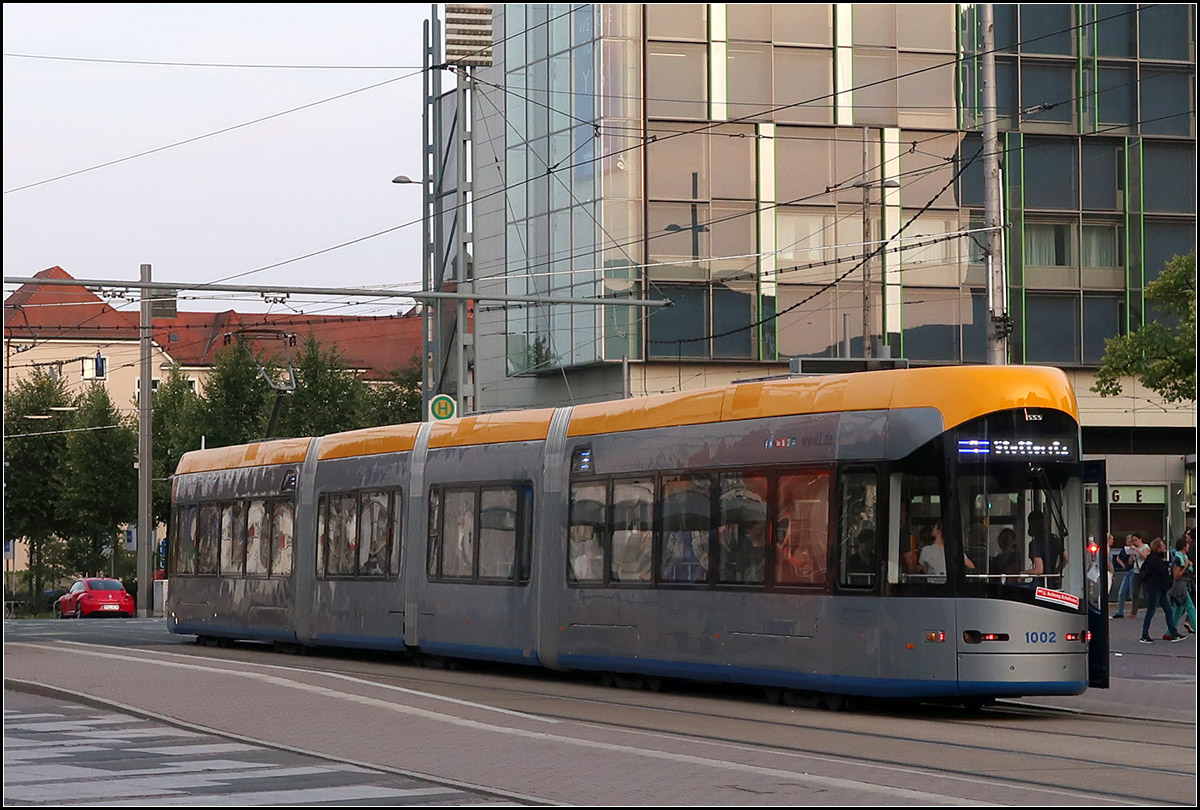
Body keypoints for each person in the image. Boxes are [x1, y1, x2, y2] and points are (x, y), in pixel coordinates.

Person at [1139, 538, 1185, 643]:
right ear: (1158, 547)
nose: (1164, 546)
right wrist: (1166, 565)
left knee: (1168, 610)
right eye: (1162, 545)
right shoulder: (1155, 559)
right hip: (1155, 588)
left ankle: (1173, 633)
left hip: (1160, 588)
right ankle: (1144, 635)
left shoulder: (1154, 558)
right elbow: (1162, 570)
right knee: (1151, 611)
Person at [1023, 510, 1064, 580]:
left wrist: (1023, 573)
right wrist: (1056, 571)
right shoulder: (1054, 539)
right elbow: (1065, 558)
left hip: (1040, 583)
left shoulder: (1035, 544)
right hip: (1052, 582)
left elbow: (1039, 570)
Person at [1171, 536, 1196, 635]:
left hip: (1186, 584)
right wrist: (1186, 566)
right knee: (1191, 608)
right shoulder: (1179, 559)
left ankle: (1169, 631)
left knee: (1179, 610)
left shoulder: (1184, 557)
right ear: (1183, 546)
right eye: (1187, 545)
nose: (1189, 546)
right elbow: (1176, 576)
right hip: (1181, 586)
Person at [1111, 534, 1136, 618]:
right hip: (1127, 571)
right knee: (1122, 593)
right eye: (1127, 541)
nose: (1128, 543)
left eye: (1130, 542)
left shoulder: (1134, 549)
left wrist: (1132, 553)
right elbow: (1118, 558)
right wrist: (1123, 565)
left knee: (1132, 591)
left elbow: (1131, 562)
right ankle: (1120, 611)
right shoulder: (1124, 550)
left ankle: (1133, 611)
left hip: (1132, 571)